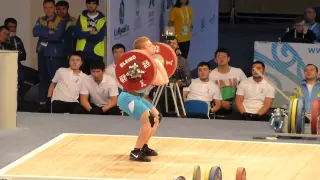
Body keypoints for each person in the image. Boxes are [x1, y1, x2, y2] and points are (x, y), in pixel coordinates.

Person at [117, 36, 169, 162]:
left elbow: (164, 80)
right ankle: (136, 152)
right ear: (142, 49)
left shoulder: (147, 63)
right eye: (150, 45)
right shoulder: (137, 66)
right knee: (149, 119)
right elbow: (163, 81)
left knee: (157, 117)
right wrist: (157, 63)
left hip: (138, 97)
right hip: (128, 98)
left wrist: (155, 63)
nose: (153, 47)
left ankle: (144, 146)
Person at [33, 0, 66, 107]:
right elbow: (35, 32)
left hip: (54, 53)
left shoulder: (60, 20)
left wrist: (43, 32)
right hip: (41, 51)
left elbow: (58, 36)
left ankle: (54, 101)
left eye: (50, 7)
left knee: (54, 77)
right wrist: (49, 31)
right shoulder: (41, 19)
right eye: (45, 7)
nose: (48, 10)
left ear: (54, 8)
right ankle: (42, 101)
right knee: (42, 76)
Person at [209, 48, 247, 117]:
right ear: (215, 60)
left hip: (237, 104)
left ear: (228, 59)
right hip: (218, 103)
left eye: (224, 56)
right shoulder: (211, 75)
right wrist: (220, 103)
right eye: (219, 57)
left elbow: (247, 89)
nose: (221, 59)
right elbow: (208, 93)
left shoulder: (238, 72)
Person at [75, 0, 106, 75]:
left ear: (97, 4)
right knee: (81, 78)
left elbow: (100, 37)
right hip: (82, 53)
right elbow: (77, 34)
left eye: (93, 3)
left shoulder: (103, 19)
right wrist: (91, 33)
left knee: (95, 78)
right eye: (89, 3)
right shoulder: (81, 17)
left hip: (96, 54)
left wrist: (84, 33)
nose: (91, 5)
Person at [56, 0, 78, 66]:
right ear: (56, 10)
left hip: (70, 52)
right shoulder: (52, 21)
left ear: (67, 9)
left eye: (63, 9)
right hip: (55, 52)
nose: (61, 11)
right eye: (59, 9)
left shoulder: (74, 21)